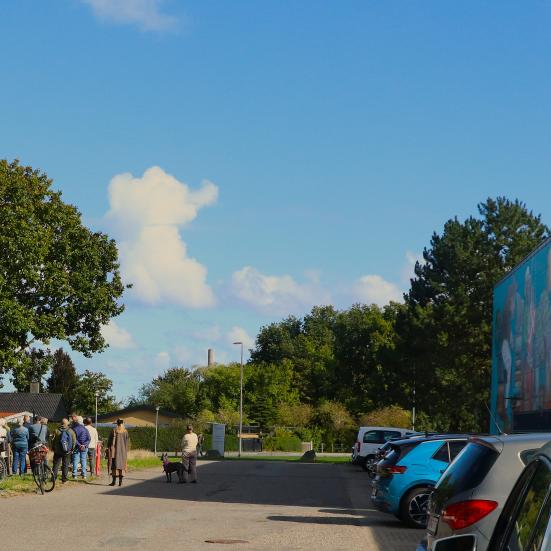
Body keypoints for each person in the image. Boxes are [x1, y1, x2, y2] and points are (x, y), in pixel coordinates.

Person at [52, 418, 74, 483]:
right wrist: (71, 449)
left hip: (57, 451)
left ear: (61, 423)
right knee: (65, 465)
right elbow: (74, 441)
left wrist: (53, 447)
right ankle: (64, 479)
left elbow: (52, 440)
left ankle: (53, 478)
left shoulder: (56, 430)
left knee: (56, 464)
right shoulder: (71, 431)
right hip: (67, 451)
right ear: (67, 423)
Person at [107, 419, 129, 487]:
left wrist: (109, 448)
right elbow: (127, 442)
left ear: (117, 423)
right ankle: (120, 482)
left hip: (114, 452)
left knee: (114, 466)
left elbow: (109, 442)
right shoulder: (125, 431)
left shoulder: (113, 430)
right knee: (121, 467)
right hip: (123, 452)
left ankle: (113, 482)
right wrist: (126, 450)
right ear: (122, 423)